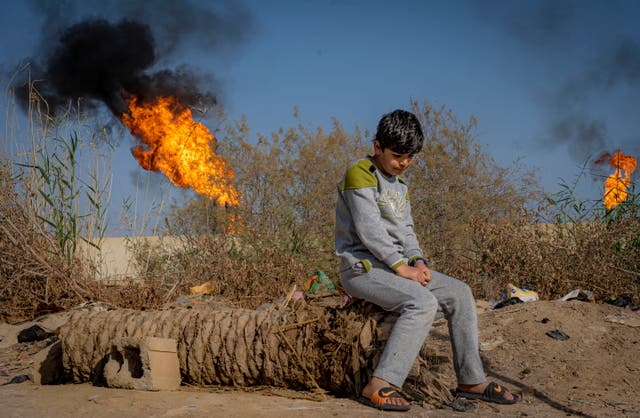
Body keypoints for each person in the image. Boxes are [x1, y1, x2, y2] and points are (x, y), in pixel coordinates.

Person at [334, 109, 520, 411]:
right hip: (363, 269)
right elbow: (370, 231)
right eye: (397, 156)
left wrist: (418, 262)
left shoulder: (400, 186)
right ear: (377, 147)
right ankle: (380, 383)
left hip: (395, 268)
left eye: (410, 157)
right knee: (421, 302)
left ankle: (471, 381)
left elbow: (406, 232)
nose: (404, 164)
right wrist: (402, 268)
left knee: (459, 293)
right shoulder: (359, 173)